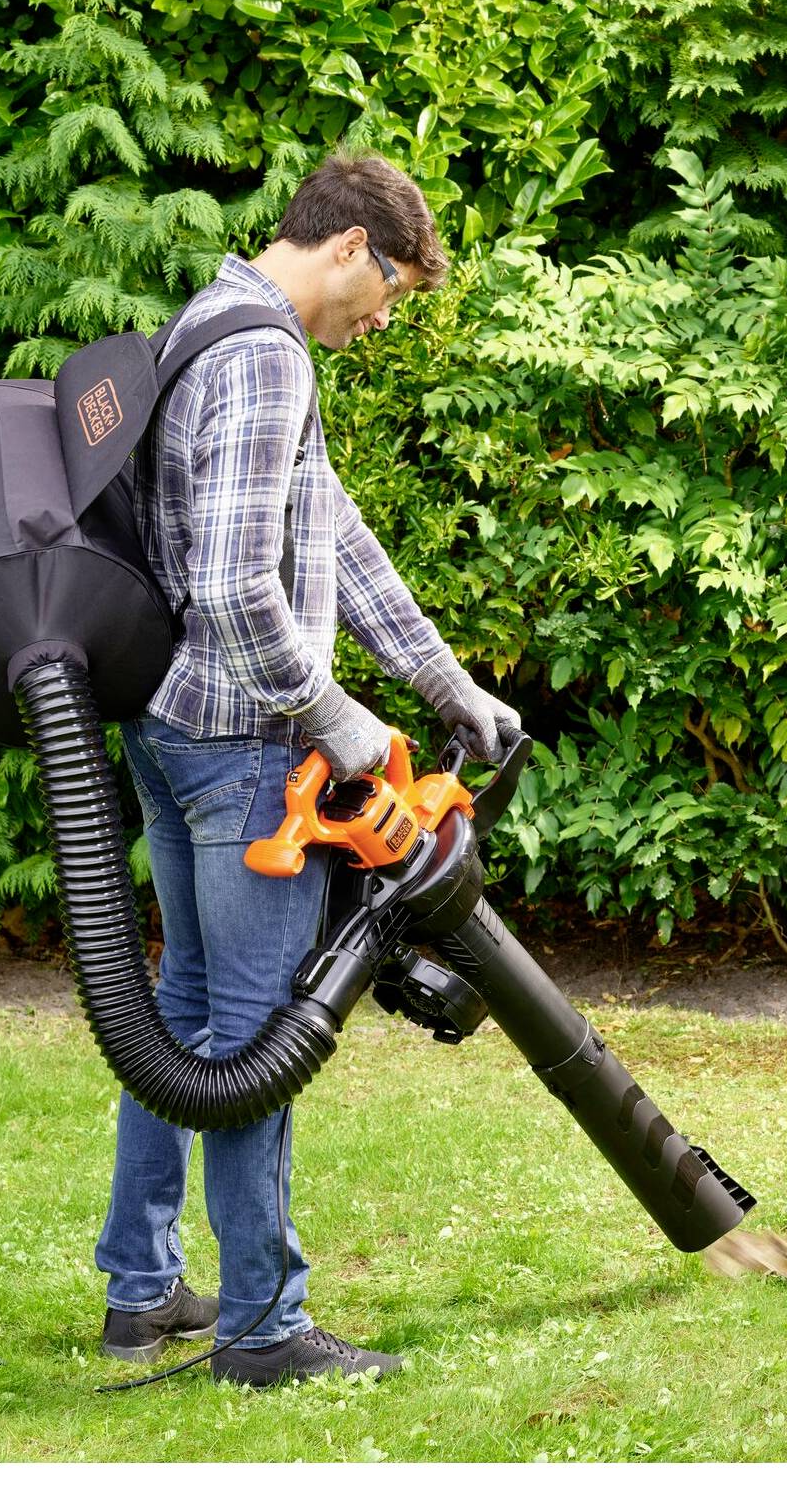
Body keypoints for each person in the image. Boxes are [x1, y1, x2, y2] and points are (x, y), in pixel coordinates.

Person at [92, 153, 521, 1388]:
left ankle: (142, 1287)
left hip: (176, 729)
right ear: (348, 248)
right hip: (242, 754)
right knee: (259, 1035)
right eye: (388, 291)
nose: (382, 320)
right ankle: (265, 1328)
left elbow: (334, 533)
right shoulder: (266, 352)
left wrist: (450, 689)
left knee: (175, 1022)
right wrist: (333, 717)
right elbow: (233, 587)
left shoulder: (207, 323)